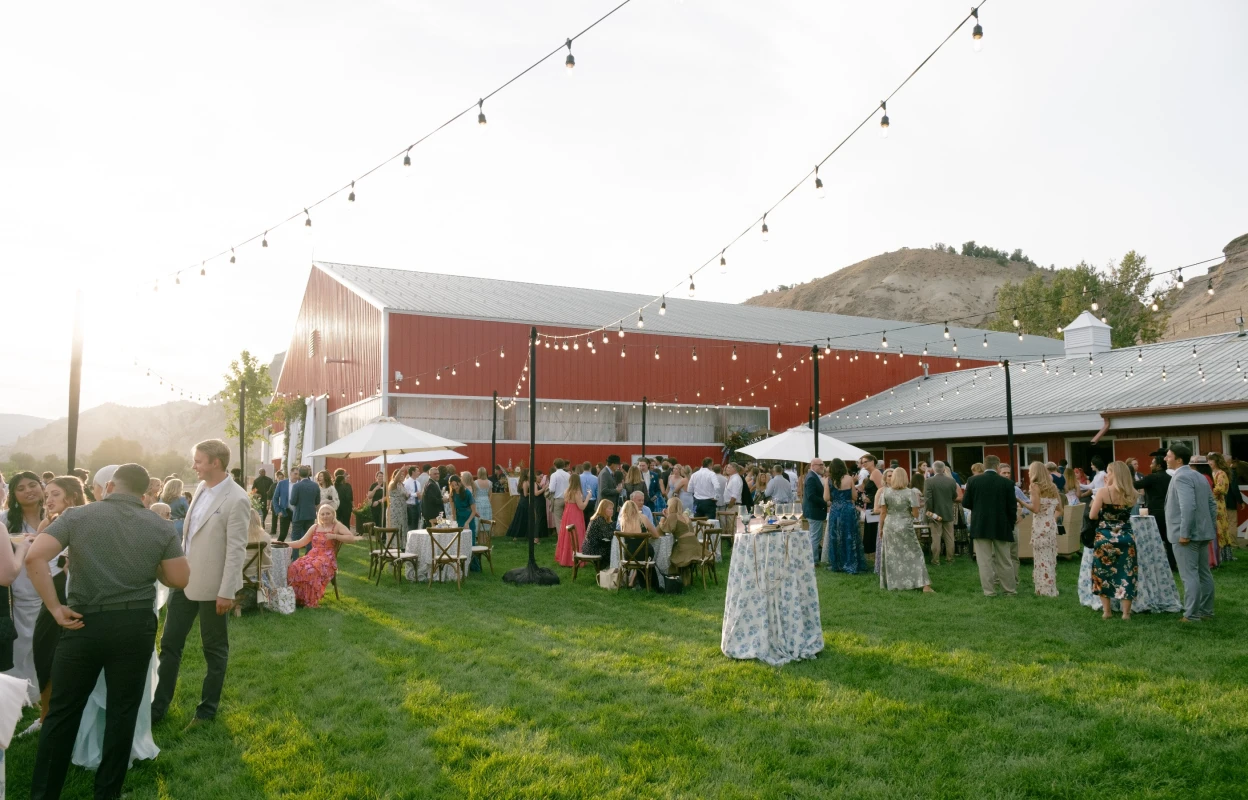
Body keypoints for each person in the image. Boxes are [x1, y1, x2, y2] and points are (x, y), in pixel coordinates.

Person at [27, 463, 189, 800]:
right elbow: (179, 579)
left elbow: (34, 558)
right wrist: (152, 563)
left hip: (83, 622)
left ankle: (44, 794)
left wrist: (56, 608)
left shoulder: (77, 517)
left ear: (111, 486)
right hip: (134, 626)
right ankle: (107, 793)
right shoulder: (160, 526)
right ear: (146, 493)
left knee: (62, 712)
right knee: (123, 711)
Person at [152, 439, 249, 730]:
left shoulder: (237, 499)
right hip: (183, 583)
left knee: (214, 650)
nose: (194, 465)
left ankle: (206, 712)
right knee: (169, 645)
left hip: (213, 589)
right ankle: (158, 707)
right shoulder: (200, 491)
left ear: (215, 463)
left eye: (198, 460)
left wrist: (227, 591)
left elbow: (236, 550)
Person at [21, 476, 88, 736]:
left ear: (72, 497)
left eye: (55, 494)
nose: (48, 500)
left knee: (63, 659)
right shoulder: (50, 522)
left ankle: (59, 717)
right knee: (43, 653)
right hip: (51, 596)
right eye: (47, 494)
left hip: (70, 594)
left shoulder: (82, 520)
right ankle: (45, 716)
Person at [6, 470, 47, 704]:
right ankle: (15, 697)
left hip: (51, 586)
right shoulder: (5, 520)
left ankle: (40, 691)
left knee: (43, 646)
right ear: (13, 495)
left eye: (32, 485)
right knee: (19, 646)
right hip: (18, 591)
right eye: (20, 489)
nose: (28, 491)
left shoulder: (54, 516)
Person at [1165, 444, 1217, 622]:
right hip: (1203, 532)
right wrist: (1209, 528)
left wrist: (1185, 533)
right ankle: (1206, 611)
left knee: (1190, 575)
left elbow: (1187, 506)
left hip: (1187, 535)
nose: (1166, 458)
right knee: (1203, 573)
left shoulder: (1182, 477)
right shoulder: (1200, 476)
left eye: (1169, 456)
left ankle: (1192, 614)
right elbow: (1212, 505)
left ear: (1178, 459)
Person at [285, 503, 362, 608]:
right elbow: (300, 542)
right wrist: (285, 544)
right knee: (294, 566)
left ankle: (310, 600)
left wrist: (334, 536)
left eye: (328, 513)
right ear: (318, 516)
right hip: (312, 556)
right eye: (322, 514)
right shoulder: (315, 527)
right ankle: (298, 598)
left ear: (333, 514)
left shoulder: (336, 526)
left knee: (311, 570)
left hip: (327, 559)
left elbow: (351, 538)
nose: (325, 516)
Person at [1089, 461, 1139, 620]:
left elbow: (1092, 515)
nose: (1107, 475)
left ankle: (1107, 611)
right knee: (1127, 572)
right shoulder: (1133, 493)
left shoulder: (1103, 492)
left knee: (1103, 572)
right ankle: (1126, 613)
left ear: (1114, 474)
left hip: (1105, 536)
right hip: (1126, 536)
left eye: (1109, 472)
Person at [962, 455, 1018, 597]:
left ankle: (989, 591)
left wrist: (979, 507)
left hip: (980, 525)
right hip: (1001, 525)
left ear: (984, 465)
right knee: (1005, 560)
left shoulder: (973, 481)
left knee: (984, 561)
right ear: (998, 466)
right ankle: (1009, 590)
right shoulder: (1007, 483)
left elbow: (966, 503)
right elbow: (1012, 508)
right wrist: (1010, 525)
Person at [876, 468, 934, 593]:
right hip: (905, 525)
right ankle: (924, 585)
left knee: (893, 556)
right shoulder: (910, 493)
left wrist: (881, 528)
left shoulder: (885, 493)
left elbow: (883, 513)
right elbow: (915, 513)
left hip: (890, 525)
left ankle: (895, 583)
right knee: (915, 553)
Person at [1019, 462, 1062, 597]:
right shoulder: (1053, 487)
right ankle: (1051, 588)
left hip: (1040, 526)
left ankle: (1044, 590)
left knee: (1041, 557)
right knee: (1049, 557)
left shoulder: (1034, 486)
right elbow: (1060, 510)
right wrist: (1051, 520)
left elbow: (1035, 509)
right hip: (1050, 525)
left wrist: (1021, 502)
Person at [823, 458, 865, 574]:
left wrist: (834, 496)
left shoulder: (829, 480)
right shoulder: (849, 479)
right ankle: (851, 562)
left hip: (836, 508)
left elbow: (826, 498)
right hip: (848, 509)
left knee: (835, 535)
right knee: (850, 534)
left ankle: (837, 563)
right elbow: (854, 497)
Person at [1135, 451, 1175, 570]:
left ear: (1158, 466)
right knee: (1169, 540)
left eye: (1152, 463)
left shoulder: (1152, 478)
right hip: (1168, 511)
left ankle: (1155, 565)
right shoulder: (1170, 478)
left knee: (1153, 539)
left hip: (1155, 512)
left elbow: (1136, 485)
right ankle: (1172, 564)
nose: (1150, 465)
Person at [923, 461, 959, 566]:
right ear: (944, 469)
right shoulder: (951, 481)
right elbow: (954, 496)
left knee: (936, 537)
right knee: (950, 537)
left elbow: (928, 499)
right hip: (948, 512)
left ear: (934, 469)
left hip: (934, 513)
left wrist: (930, 512)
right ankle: (950, 559)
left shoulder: (929, 481)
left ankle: (935, 560)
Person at [555, 473, 589, 568]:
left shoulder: (567, 491)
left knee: (567, 536)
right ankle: (576, 558)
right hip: (575, 515)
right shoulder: (576, 492)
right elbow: (581, 506)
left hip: (567, 514)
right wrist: (588, 498)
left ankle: (565, 558)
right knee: (576, 535)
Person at [449, 474, 481, 571]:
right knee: (459, 542)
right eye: (452, 485)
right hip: (459, 518)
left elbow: (474, 511)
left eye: (456, 485)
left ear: (459, 483)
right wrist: (453, 520)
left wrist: (467, 522)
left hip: (468, 518)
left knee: (470, 542)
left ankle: (474, 567)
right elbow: (453, 509)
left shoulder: (467, 493)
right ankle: (462, 565)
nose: (455, 487)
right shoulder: (453, 493)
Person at [1209, 453, 1235, 563]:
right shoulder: (1211, 472)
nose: (1209, 463)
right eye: (1208, 460)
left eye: (1211, 460)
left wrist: (1208, 493)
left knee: (1220, 526)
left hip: (1218, 504)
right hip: (1211, 503)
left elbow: (1221, 489)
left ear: (1217, 461)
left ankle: (1223, 554)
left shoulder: (1221, 473)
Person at [288, 466, 320, 558]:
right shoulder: (315, 485)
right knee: (310, 536)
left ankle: (295, 558)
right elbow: (317, 501)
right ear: (308, 474)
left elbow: (293, 501)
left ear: (299, 475)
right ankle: (309, 557)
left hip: (299, 514)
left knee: (295, 537)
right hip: (310, 514)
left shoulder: (297, 486)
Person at [857, 456, 884, 557]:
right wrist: (865, 496)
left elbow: (881, 489)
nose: (863, 464)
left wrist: (872, 499)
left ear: (873, 462)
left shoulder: (876, 472)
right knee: (871, 530)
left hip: (874, 505)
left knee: (874, 530)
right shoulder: (870, 474)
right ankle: (873, 554)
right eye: (862, 462)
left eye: (865, 462)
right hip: (870, 504)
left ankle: (876, 554)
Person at [803, 459, 829, 561]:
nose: (822, 467)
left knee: (815, 536)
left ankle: (812, 559)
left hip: (814, 511)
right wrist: (825, 502)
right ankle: (813, 560)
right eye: (820, 465)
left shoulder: (813, 476)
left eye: (823, 465)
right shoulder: (811, 478)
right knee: (815, 537)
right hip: (814, 511)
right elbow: (811, 496)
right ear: (812, 466)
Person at [547, 459, 570, 535]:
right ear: (563, 465)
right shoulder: (568, 475)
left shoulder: (554, 475)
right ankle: (567, 538)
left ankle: (561, 540)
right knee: (566, 520)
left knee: (559, 521)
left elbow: (552, 489)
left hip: (558, 499)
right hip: (567, 499)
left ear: (555, 465)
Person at [386, 467, 410, 540]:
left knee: (402, 525)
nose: (402, 476)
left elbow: (404, 496)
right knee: (395, 525)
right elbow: (395, 480)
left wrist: (407, 496)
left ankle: (402, 544)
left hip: (402, 508)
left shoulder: (402, 485)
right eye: (400, 475)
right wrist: (401, 470)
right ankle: (393, 543)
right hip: (395, 508)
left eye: (403, 475)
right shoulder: (393, 484)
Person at [270, 469, 291, 540]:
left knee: (297, 533)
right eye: (279, 477)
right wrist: (278, 510)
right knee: (282, 533)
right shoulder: (276, 485)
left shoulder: (296, 483)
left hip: (294, 511)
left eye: (282, 477)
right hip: (282, 509)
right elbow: (273, 497)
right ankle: (273, 531)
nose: (281, 479)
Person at [403, 466, 420, 532]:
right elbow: (405, 495)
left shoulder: (418, 483)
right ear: (413, 472)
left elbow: (419, 494)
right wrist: (415, 494)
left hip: (417, 505)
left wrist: (419, 496)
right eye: (417, 471)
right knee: (411, 525)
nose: (419, 473)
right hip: (410, 506)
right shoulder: (406, 483)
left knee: (416, 524)